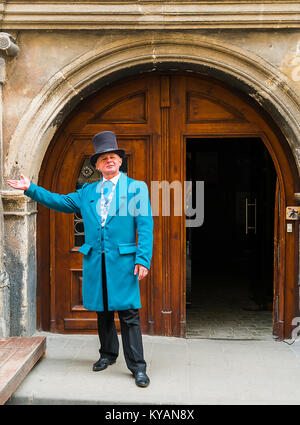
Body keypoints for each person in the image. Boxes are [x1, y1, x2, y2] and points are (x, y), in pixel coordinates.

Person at [6, 131, 153, 388]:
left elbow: (145, 225)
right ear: (96, 165)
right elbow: (60, 201)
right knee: (103, 311)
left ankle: (138, 367)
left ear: (120, 161)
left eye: (113, 157)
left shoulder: (136, 188)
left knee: (129, 314)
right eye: (103, 158)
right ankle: (107, 355)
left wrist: (143, 259)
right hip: (97, 262)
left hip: (125, 263)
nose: (109, 161)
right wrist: (31, 189)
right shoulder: (87, 191)